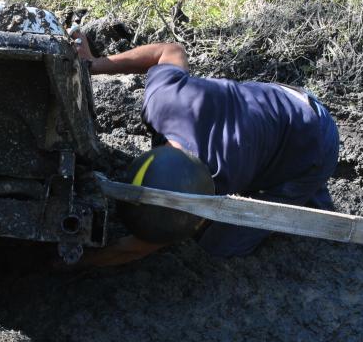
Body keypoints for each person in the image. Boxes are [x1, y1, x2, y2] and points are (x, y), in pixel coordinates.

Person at [75, 35, 340, 266]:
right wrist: (93, 64)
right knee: (275, 158)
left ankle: (306, 200)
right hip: (282, 101)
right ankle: (311, 197)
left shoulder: (220, 172)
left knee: (220, 243)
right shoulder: (164, 99)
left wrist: (78, 263)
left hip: (315, 141)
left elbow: (142, 246)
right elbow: (169, 50)